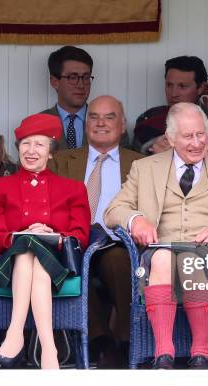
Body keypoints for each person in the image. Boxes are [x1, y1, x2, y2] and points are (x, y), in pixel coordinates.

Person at [105, 102, 208, 369]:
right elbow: (114, 210)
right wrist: (135, 219)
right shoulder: (145, 168)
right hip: (162, 250)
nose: (196, 143)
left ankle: (202, 351)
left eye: (201, 135)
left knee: (188, 260)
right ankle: (163, 352)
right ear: (170, 138)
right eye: (188, 136)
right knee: (161, 257)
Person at [0, 113, 91, 369]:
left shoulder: (73, 189)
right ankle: (49, 350)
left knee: (38, 256)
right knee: (26, 249)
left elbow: (80, 235)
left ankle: (14, 335)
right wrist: (24, 235)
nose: (31, 151)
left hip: (56, 265)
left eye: (39, 145)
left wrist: (52, 235)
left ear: (51, 152)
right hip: (9, 263)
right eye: (26, 144)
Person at [51, 95, 143, 367]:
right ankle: (101, 343)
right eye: (93, 116)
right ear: (85, 123)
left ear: (123, 125)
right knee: (68, 267)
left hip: (118, 242)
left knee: (118, 261)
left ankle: (126, 341)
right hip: (71, 241)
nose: (100, 123)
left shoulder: (142, 163)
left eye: (109, 116)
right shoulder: (61, 161)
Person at [133, 56, 208, 155]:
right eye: (169, 85)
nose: (173, 94)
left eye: (182, 86)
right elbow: (134, 160)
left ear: (200, 88)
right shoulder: (149, 118)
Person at [42, 46, 94, 149]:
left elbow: (126, 161)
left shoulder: (111, 124)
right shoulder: (38, 124)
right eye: (73, 77)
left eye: (86, 77)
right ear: (54, 82)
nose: (81, 85)